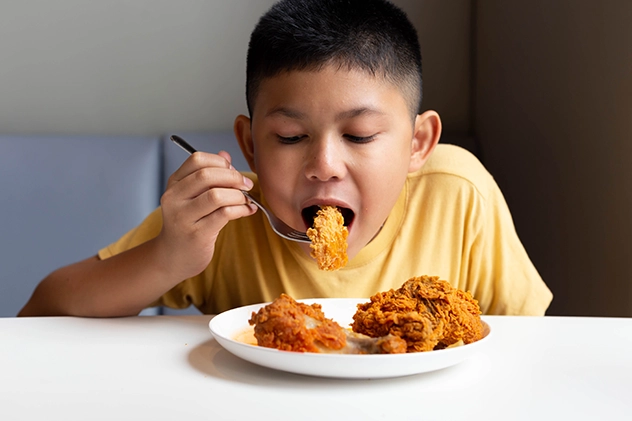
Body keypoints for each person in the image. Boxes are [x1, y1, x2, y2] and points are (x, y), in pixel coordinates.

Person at [18, 0, 552, 318]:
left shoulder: (458, 196)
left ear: (417, 144)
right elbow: (43, 314)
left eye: (360, 135)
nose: (324, 164)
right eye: (292, 137)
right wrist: (170, 257)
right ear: (250, 145)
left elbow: (532, 350)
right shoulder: (222, 219)